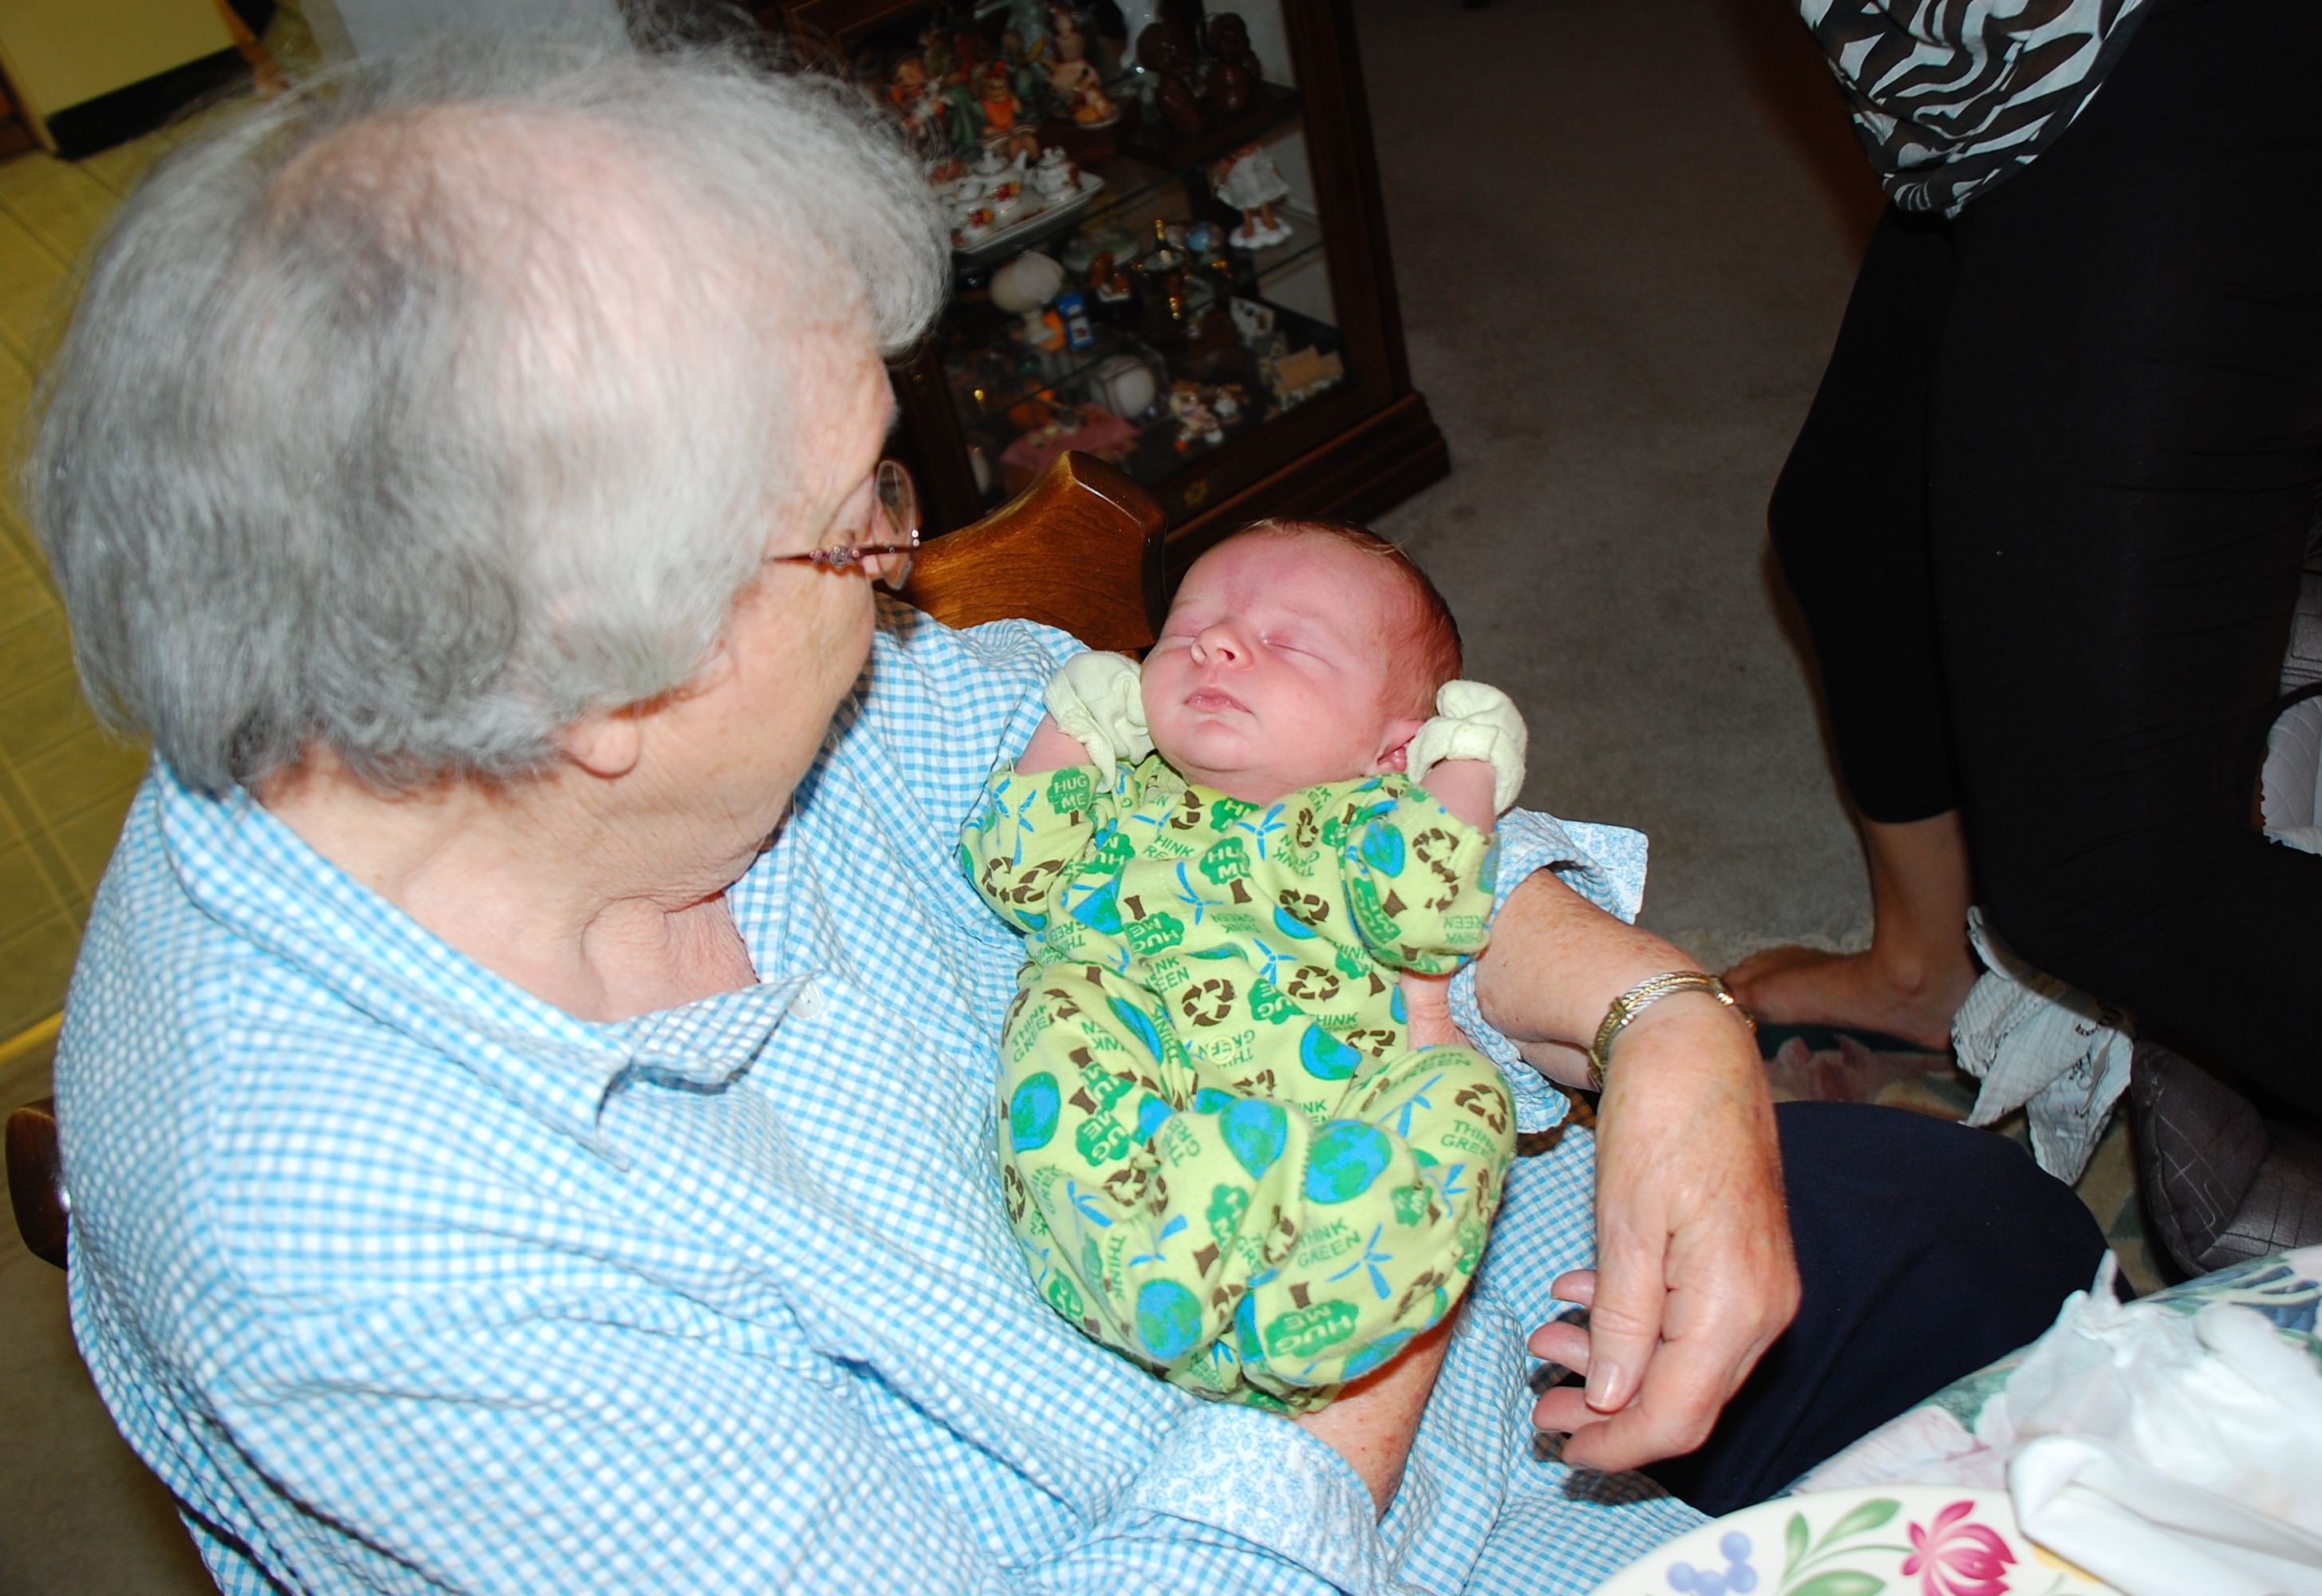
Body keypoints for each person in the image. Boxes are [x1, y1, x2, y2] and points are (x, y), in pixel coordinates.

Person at [34, 40, 2105, 1594]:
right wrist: (1395, 1255)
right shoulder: (377, 1272)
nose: (909, 568)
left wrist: (1659, 1022)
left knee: (2001, 1242)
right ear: (595, 688)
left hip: (1479, 1279)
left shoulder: (616, 701)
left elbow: (1230, 802)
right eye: (862, 523)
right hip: (1359, 1495)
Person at [1727, 0, 2322, 1208]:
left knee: (2112, 877)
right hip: (1999, 81)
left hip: (2194, 38)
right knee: (1857, 519)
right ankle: (1923, 973)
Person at [967, 520, 1523, 1411]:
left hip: (1323, 1144)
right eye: (1186, 629)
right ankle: (1149, 1261)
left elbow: (1428, 917)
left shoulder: (1368, 824)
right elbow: (1014, 872)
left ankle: (1321, 1301)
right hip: (1139, 1118)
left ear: (1393, 748)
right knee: (1061, 1009)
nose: (1215, 643)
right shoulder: (1130, 798)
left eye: (1289, 643)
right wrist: (1078, 729)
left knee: (1466, 1090)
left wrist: (1465, 766)